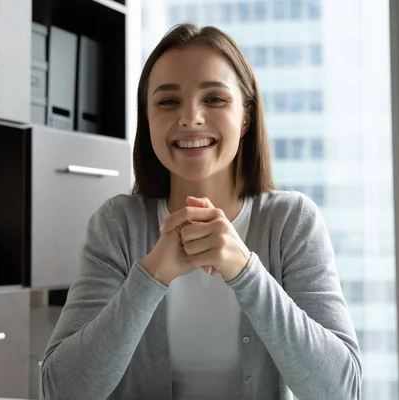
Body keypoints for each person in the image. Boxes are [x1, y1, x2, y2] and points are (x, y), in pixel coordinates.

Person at [41, 23, 362, 400]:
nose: (190, 117)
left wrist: (245, 270)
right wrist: (151, 276)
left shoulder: (293, 223)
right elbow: (60, 391)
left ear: (245, 116)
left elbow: (341, 391)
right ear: (147, 119)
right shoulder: (117, 226)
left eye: (214, 99)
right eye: (167, 101)